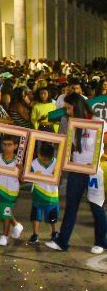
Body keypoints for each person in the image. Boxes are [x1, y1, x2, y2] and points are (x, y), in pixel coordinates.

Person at [46, 93, 107, 254]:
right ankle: (62, 241)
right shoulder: (71, 123)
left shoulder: (99, 123)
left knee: (96, 207)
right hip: (75, 170)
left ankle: (101, 242)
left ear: (76, 106)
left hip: (93, 172)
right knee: (71, 207)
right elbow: (68, 146)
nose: (66, 111)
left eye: (68, 108)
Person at [0, 136, 24, 246]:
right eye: (4, 144)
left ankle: (5, 236)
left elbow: (22, 179)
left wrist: (21, 171)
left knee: (5, 213)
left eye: (9, 145)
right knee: (4, 213)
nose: (6, 147)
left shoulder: (18, 162)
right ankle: (16, 225)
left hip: (12, 192)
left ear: (16, 146)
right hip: (0, 190)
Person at [28, 142, 59, 244]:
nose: (45, 161)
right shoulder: (33, 163)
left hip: (52, 196)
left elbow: (60, 179)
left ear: (52, 156)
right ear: (39, 154)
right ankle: (35, 234)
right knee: (36, 216)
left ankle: (54, 232)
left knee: (53, 217)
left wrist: (57, 174)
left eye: (48, 159)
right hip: (38, 195)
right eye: (43, 159)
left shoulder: (56, 163)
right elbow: (27, 176)